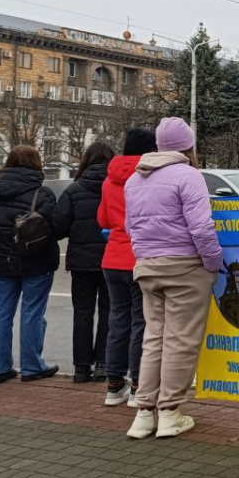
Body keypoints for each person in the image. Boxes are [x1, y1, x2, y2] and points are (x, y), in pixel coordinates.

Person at [123, 118, 222, 439]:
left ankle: (143, 413)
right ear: (188, 145)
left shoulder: (134, 179)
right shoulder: (188, 176)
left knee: (154, 339)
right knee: (181, 340)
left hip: (148, 266)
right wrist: (212, 263)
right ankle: (169, 412)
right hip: (185, 267)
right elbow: (202, 228)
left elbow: (131, 228)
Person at [0, 145, 61, 383]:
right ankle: (31, 367)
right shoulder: (43, 193)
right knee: (33, 312)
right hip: (36, 261)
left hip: (2, 261)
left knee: (1, 312)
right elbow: (55, 229)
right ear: (36, 164)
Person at [98, 128, 157, 408]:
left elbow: (103, 219)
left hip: (112, 259)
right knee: (140, 324)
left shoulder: (109, 179)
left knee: (117, 322)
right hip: (139, 257)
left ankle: (113, 386)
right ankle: (137, 385)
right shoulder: (149, 176)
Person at [53, 140, 115, 383]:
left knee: (82, 313)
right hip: (111, 259)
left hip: (80, 262)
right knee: (109, 311)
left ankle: (80, 368)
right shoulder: (118, 188)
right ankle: (103, 364)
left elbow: (58, 226)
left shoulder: (74, 190)